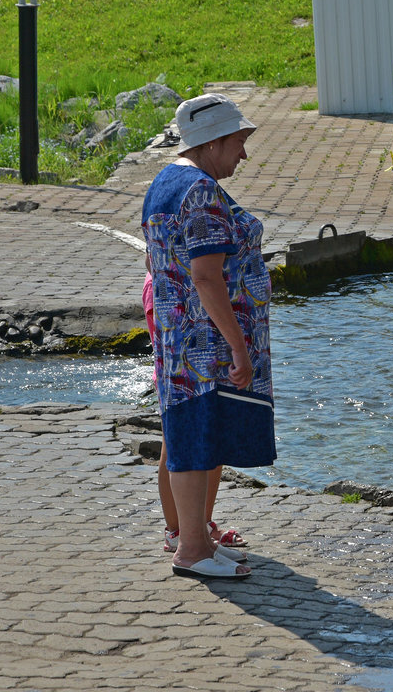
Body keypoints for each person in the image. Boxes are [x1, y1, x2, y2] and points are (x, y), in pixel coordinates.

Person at [141, 92, 276, 580]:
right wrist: (239, 347)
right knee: (194, 436)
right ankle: (192, 551)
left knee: (189, 432)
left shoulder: (165, 181)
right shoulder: (199, 191)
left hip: (183, 334)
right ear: (213, 142)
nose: (243, 153)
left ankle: (192, 536)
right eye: (238, 141)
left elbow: (159, 260)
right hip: (204, 340)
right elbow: (205, 276)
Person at [142, 272, 249, 558]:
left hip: (205, 360)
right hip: (180, 366)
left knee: (211, 442)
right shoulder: (160, 281)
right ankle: (177, 530)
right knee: (175, 443)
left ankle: (200, 525)